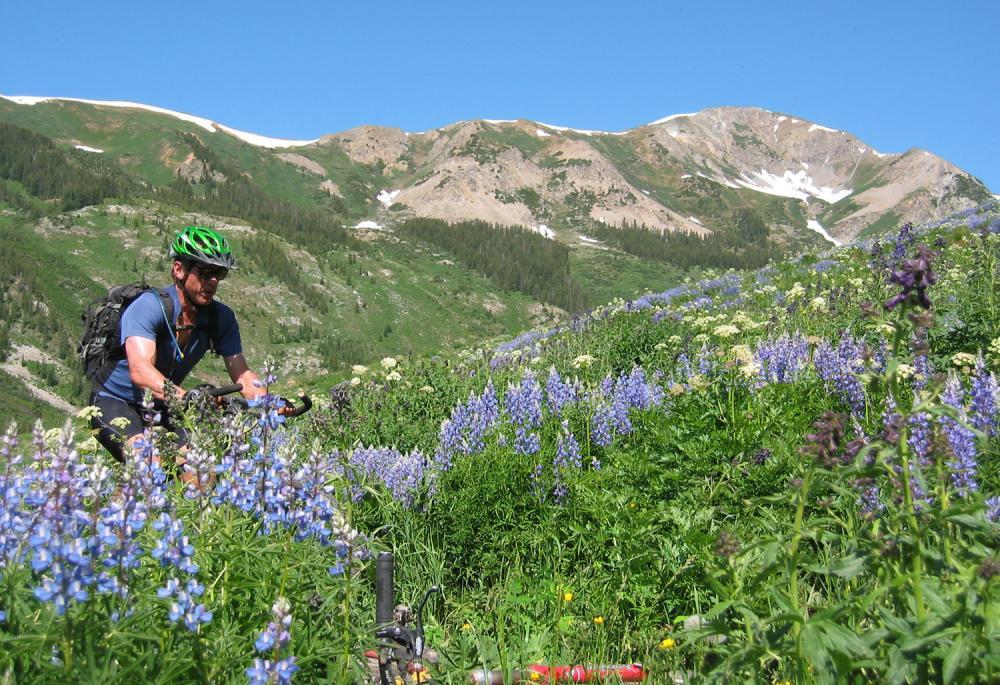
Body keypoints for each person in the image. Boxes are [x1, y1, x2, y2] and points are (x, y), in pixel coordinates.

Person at [90, 225, 264, 464]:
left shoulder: (220, 318)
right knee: (149, 465)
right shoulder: (149, 307)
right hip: (115, 402)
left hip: (164, 404)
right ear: (179, 270)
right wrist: (188, 398)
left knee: (201, 470)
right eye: (205, 273)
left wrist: (271, 403)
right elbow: (141, 371)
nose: (212, 282)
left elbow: (243, 375)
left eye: (219, 275)